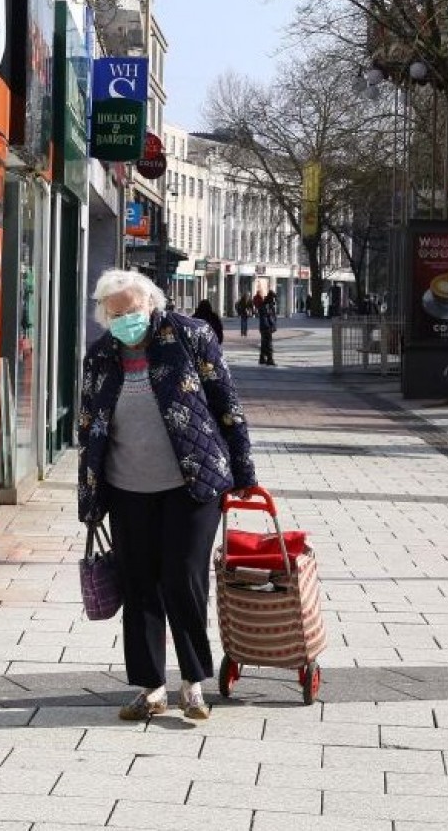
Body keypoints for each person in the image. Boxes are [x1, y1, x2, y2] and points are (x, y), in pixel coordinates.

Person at [78, 269, 258, 722]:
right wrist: (90, 495)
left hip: (192, 484)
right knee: (139, 585)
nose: (125, 320)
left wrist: (244, 472)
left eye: (132, 311)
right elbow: (88, 425)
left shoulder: (190, 336)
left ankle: (193, 684)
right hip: (126, 487)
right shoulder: (100, 355)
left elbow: (227, 403)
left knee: (182, 579)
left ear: (152, 304)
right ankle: (150, 688)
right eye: (115, 313)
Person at [256, 290, 277, 366]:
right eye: (273, 299)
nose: (274, 301)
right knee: (268, 343)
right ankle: (269, 359)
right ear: (271, 298)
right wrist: (270, 326)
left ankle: (262, 358)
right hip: (266, 327)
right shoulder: (267, 306)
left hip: (264, 327)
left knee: (264, 343)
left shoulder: (266, 305)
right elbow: (267, 317)